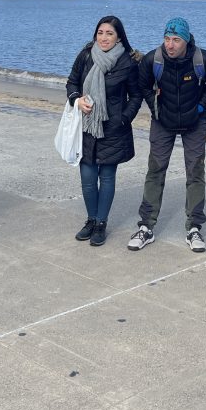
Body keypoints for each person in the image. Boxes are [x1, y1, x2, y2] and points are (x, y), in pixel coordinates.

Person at [129, 17, 206, 253]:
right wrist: (155, 107)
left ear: (186, 40)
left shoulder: (204, 60)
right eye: (167, 39)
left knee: (195, 171)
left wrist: (201, 107)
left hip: (195, 123)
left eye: (176, 40)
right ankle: (146, 226)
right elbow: (142, 85)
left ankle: (194, 228)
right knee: (156, 169)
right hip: (163, 122)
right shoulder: (154, 59)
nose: (170, 45)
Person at [66, 16, 142, 247]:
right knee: (88, 178)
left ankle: (101, 223)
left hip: (113, 128)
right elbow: (71, 83)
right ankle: (90, 220)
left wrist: (123, 118)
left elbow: (136, 95)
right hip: (87, 126)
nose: (104, 37)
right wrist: (76, 100)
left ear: (119, 36)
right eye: (100, 32)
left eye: (109, 33)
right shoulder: (86, 55)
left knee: (106, 177)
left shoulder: (128, 62)